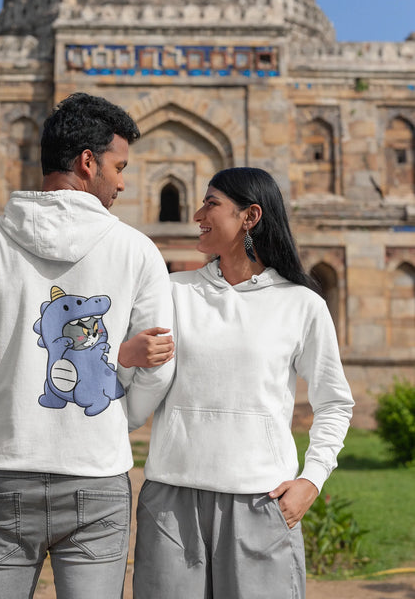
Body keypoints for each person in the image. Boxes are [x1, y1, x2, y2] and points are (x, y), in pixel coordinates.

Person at [0, 92, 174, 599]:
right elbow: (158, 362)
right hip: (97, 477)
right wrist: (118, 416)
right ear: (88, 162)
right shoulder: (136, 251)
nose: (122, 183)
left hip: (7, 473)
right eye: (119, 167)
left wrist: (9, 405)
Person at [132, 167, 354, 599]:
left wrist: (312, 479)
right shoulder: (173, 292)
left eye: (211, 204)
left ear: (250, 216)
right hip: (173, 501)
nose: (197, 214)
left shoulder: (301, 304)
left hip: (260, 501)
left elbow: (334, 403)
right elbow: (137, 376)